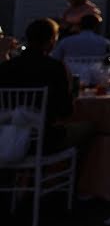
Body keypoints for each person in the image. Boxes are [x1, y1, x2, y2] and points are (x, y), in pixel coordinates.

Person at [0, 18, 93, 154]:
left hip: (6, 139)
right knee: (89, 128)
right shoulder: (55, 67)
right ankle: (75, 174)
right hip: (44, 140)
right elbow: (65, 112)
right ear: (51, 41)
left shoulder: (5, 68)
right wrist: (72, 92)